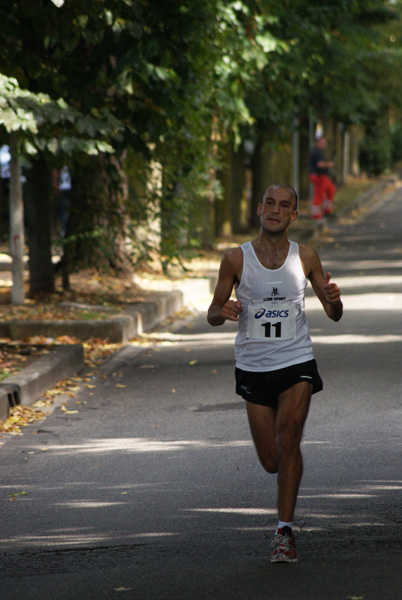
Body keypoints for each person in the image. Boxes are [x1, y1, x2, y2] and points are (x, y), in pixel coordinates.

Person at [207, 183, 342, 563]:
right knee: (272, 460)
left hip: (297, 360)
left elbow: (333, 313)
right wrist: (226, 311)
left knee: (289, 438)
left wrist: (335, 300)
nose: (275, 210)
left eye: (284, 205)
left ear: (294, 215)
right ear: (260, 209)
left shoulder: (306, 257)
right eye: (269, 202)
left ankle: (284, 531)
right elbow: (213, 312)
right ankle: (288, 472)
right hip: (254, 367)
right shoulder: (235, 259)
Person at [309, 136, 336, 219]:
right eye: (321, 143)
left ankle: (327, 210)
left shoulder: (319, 152)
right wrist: (329, 164)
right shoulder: (316, 152)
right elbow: (319, 164)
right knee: (318, 195)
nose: (323, 145)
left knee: (331, 190)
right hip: (318, 176)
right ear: (316, 143)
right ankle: (315, 214)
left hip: (323, 176)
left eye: (324, 143)